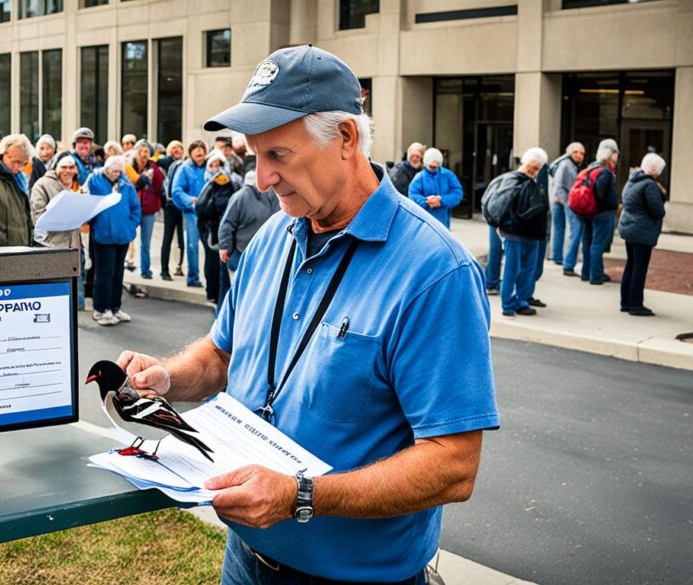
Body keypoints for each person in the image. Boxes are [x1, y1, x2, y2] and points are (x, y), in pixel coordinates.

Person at [120, 45, 498, 585]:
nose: (261, 180)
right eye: (255, 157)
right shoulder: (274, 235)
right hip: (244, 561)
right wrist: (168, 378)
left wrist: (303, 497)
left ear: (346, 138)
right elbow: (224, 351)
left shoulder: (434, 270)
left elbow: (453, 464)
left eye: (279, 155)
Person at [490, 148, 549, 317]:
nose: (533, 171)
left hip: (530, 235)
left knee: (526, 271)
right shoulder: (512, 181)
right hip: (515, 234)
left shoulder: (532, 183)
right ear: (525, 162)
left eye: (537, 169)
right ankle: (509, 304)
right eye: (532, 167)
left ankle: (520, 302)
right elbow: (500, 207)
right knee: (513, 269)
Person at [84, 155, 141, 326]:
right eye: (114, 171)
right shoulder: (95, 180)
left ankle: (115, 307)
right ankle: (100, 309)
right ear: (106, 169)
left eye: (119, 171)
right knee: (104, 273)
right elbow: (87, 200)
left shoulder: (126, 185)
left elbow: (135, 208)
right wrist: (96, 223)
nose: (116, 174)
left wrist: (130, 227)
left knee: (118, 274)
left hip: (123, 235)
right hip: (104, 236)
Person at [32, 152, 86, 311]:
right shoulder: (42, 185)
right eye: (63, 167)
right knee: (54, 298)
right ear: (56, 168)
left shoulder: (77, 186)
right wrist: (65, 212)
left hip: (74, 247)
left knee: (73, 302)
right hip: (53, 248)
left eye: (71, 167)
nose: (68, 171)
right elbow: (37, 218)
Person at [619, 153, 667, 316]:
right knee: (640, 268)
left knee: (631, 265)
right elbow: (658, 211)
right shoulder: (650, 185)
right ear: (655, 170)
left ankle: (625, 302)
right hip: (642, 231)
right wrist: (662, 194)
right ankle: (636, 304)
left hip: (629, 228)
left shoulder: (632, 180)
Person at [218, 169, 279, 291]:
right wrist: (224, 247)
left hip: (262, 251)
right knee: (239, 289)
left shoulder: (272, 195)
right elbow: (227, 224)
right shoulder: (240, 197)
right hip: (242, 250)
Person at [197, 151, 242, 304]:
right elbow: (201, 208)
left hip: (226, 229)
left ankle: (221, 301)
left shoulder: (233, 182)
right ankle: (213, 294)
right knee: (211, 262)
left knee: (223, 267)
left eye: (219, 165)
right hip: (211, 228)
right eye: (213, 165)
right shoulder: (209, 184)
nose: (217, 169)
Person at [580, 139, 619, 285]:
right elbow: (601, 193)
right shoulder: (605, 172)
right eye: (616, 153)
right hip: (601, 213)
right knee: (597, 245)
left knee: (588, 242)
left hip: (587, 212)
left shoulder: (591, 168)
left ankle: (586, 272)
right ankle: (596, 276)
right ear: (611, 154)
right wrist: (612, 204)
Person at [171, 140, 209, 288]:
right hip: (192, 213)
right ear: (190, 153)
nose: (199, 152)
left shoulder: (210, 165)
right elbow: (176, 191)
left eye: (202, 149)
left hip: (209, 213)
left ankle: (212, 281)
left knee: (211, 248)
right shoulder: (184, 169)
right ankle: (193, 278)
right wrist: (189, 200)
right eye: (196, 149)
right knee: (192, 246)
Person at [125, 140, 164, 280]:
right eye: (140, 151)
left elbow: (159, 186)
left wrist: (155, 171)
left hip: (148, 210)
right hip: (131, 210)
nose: (143, 154)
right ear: (136, 152)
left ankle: (145, 270)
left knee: (145, 243)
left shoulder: (153, 167)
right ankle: (124, 264)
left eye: (146, 151)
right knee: (126, 238)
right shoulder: (129, 166)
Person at [550, 142, 585, 274]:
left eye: (582, 153)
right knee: (572, 231)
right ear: (570, 152)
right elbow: (558, 184)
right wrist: (565, 201)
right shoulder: (565, 164)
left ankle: (558, 256)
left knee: (560, 229)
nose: (579, 155)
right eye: (576, 152)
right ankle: (564, 260)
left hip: (563, 200)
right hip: (564, 200)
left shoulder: (572, 165)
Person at [407, 148, 463, 229]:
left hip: (443, 222)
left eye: (435, 166)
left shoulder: (448, 175)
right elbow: (412, 194)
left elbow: (458, 193)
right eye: (431, 166)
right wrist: (426, 201)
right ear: (425, 163)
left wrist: (441, 199)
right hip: (424, 222)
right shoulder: (420, 177)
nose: (433, 168)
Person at [159, 140, 187, 280]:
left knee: (182, 240)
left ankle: (179, 267)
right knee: (167, 238)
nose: (177, 150)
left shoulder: (186, 164)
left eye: (179, 148)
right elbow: (157, 161)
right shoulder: (166, 162)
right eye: (174, 148)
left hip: (182, 207)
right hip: (170, 206)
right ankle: (164, 270)